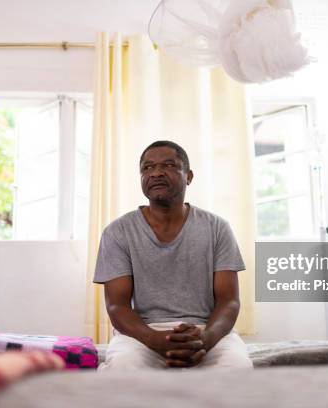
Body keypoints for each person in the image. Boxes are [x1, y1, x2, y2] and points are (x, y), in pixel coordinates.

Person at [94, 140, 252, 370]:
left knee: (238, 368)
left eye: (168, 165)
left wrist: (204, 340)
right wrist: (158, 341)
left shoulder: (217, 227)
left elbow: (229, 300)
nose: (156, 173)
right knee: (124, 368)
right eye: (147, 168)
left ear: (189, 176)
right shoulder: (118, 231)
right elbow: (117, 306)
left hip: (205, 330)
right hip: (143, 334)